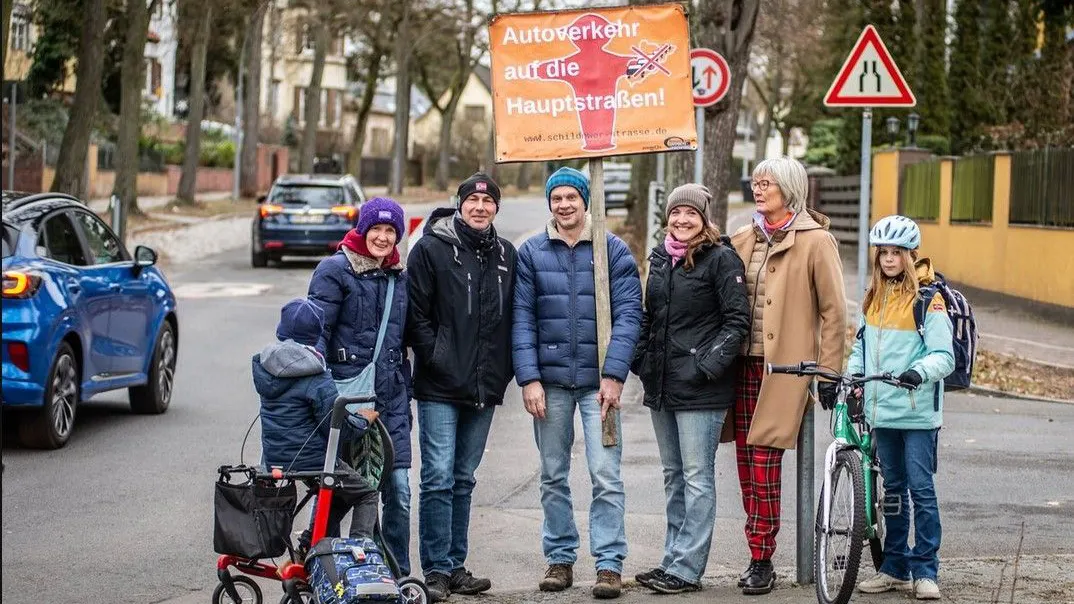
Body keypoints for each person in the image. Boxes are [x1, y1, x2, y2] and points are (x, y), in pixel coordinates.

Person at [513, 167, 642, 600]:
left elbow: (628, 317)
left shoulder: (612, 250)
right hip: (549, 385)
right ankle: (560, 559)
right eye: (557, 198)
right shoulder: (531, 252)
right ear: (549, 203)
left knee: (605, 475)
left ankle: (608, 564)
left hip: (597, 386)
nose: (564, 205)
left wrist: (614, 374)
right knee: (552, 474)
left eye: (572, 197)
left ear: (586, 201)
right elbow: (522, 321)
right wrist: (529, 379)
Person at [728, 157, 848, 595]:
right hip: (740, 366)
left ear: (790, 189)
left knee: (764, 463)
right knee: (745, 463)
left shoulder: (816, 241)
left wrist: (830, 371)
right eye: (757, 183)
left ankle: (762, 558)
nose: (759, 190)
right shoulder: (742, 237)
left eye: (768, 184)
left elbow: (835, 312)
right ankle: (757, 553)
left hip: (785, 370)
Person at [630, 184, 750, 594]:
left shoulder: (721, 259)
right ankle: (671, 559)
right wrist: (641, 361)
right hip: (662, 383)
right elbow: (650, 316)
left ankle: (687, 568)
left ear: (704, 218)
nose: (682, 220)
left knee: (697, 478)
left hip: (701, 388)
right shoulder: (662, 257)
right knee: (673, 476)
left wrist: (705, 368)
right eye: (676, 213)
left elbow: (737, 322)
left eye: (690, 214)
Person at [406, 173, 517, 602]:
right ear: (460, 204)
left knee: (463, 478)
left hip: (484, 385)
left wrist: (503, 369)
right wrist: (437, 356)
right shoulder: (432, 249)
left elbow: (511, 318)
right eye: (472, 200)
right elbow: (416, 315)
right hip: (439, 385)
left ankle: (455, 566)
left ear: (495, 209)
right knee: (436, 477)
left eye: (487, 203)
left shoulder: (506, 254)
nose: (479, 207)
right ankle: (434, 569)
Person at [306, 197, 413, 574]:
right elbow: (315, 335)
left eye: (390, 231)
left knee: (398, 491)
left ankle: (395, 575)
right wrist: (317, 390)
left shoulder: (399, 276)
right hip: (344, 400)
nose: (383, 238)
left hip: (391, 402)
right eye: (376, 229)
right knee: (335, 491)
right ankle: (330, 571)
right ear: (362, 229)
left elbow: (407, 336)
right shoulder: (334, 271)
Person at [852, 216, 953, 601]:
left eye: (896, 253)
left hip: (916, 412)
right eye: (883, 253)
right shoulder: (874, 296)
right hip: (883, 411)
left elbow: (945, 356)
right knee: (892, 491)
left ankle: (926, 570)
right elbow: (859, 345)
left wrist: (917, 372)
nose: (889, 260)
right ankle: (895, 567)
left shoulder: (929, 299)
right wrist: (856, 379)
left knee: (921, 489)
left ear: (910, 255)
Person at [253, 298, 380, 540]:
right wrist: (363, 421)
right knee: (366, 493)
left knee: (337, 494)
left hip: (275, 459)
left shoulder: (266, 367)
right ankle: (359, 554)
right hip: (313, 462)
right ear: (315, 334)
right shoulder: (316, 374)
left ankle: (312, 544)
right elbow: (336, 426)